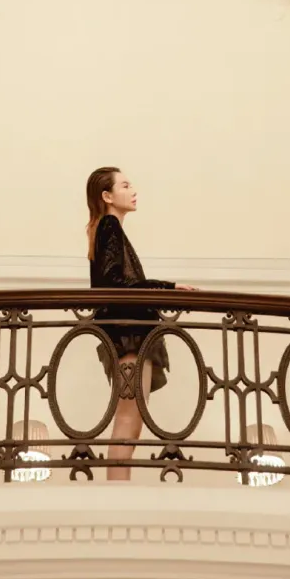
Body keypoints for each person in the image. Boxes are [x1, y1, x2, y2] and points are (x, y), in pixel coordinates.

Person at [86, 166, 197, 481]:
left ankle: (118, 489)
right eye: (124, 185)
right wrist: (166, 288)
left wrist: (165, 288)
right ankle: (116, 493)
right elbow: (113, 283)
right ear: (107, 196)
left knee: (131, 421)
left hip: (129, 333)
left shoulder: (107, 228)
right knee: (128, 420)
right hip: (129, 334)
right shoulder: (109, 225)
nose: (133, 190)